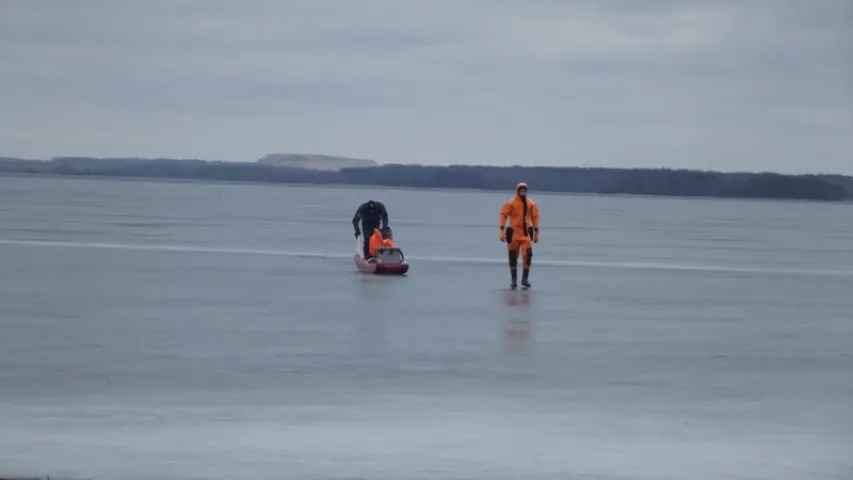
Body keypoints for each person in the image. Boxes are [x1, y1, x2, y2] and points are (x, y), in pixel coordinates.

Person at [499, 182, 540, 289]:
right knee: (513, 257)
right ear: (517, 191)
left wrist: (536, 232)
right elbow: (503, 215)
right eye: (521, 191)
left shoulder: (531, 203)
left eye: (524, 191)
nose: (523, 193)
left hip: (526, 234)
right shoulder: (510, 203)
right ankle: (514, 279)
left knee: (528, 254)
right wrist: (502, 231)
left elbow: (535, 217)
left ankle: (525, 279)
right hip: (514, 233)